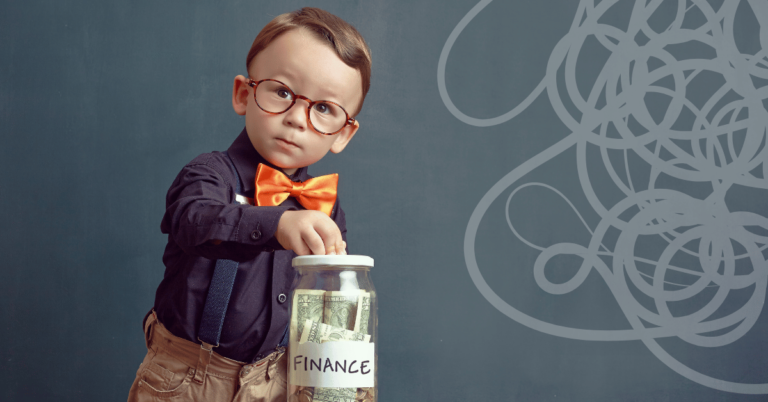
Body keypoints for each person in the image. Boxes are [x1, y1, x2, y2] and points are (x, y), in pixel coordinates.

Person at [127, 7, 372, 402]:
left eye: (324, 108)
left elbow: (327, 301)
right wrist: (277, 224)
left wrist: (339, 375)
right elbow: (193, 221)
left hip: (277, 378)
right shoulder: (209, 174)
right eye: (282, 92)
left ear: (343, 134)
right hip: (189, 378)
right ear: (244, 94)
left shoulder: (324, 206)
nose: (297, 118)